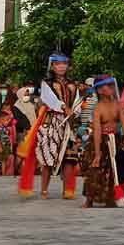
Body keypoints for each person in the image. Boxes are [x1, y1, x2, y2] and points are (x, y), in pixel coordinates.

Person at [19, 52, 81, 200]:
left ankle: (67, 190)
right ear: (52, 66)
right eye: (58, 64)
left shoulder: (73, 84)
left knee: (69, 157)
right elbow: (49, 98)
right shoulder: (46, 83)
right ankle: (44, 190)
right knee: (47, 157)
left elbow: (77, 100)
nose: (61, 67)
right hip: (51, 121)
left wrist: (75, 112)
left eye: (64, 64)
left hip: (68, 123)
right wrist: (63, 107)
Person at [81, 76, 124, 208]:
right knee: (95, 171)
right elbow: (97, 130)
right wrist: (98, 154)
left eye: (111, 85)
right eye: (107, 86)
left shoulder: (117, 105)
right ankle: (89, 200)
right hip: (100, 142)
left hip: (116, 139)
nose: (110, 88)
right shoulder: (98, 108)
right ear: (99, 90)